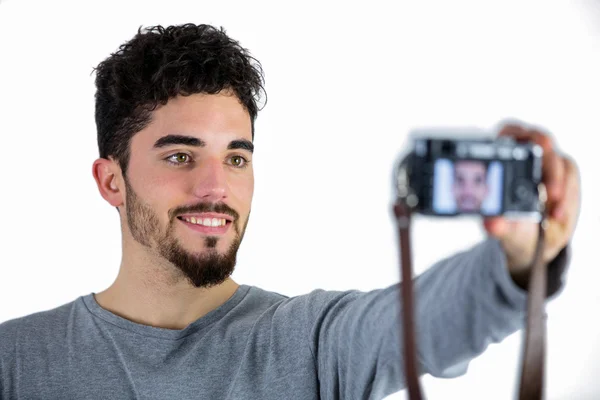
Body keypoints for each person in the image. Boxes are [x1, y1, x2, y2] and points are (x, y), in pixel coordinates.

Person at [0, 24, 580, 400]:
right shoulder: (16, 362)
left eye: (235, 157)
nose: (215, 187)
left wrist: (524, 257)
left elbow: (422, 321)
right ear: (111, 182)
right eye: (181, 155)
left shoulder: (308, 344)